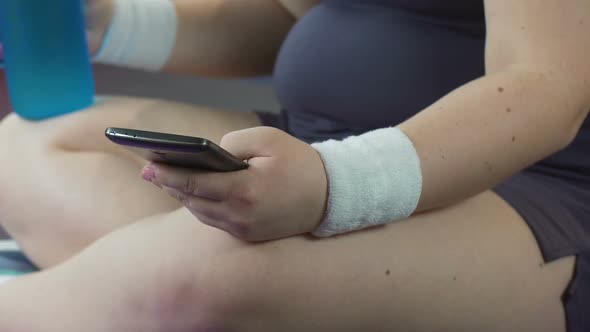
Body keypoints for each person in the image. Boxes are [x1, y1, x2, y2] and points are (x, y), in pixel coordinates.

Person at [0, 0, 588, 331]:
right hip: (316, 138)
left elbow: (545, 86)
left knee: (208, 278)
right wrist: (113, 26)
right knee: (26, 145)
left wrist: (337, 186)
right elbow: (290, 19)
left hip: (524, 183)